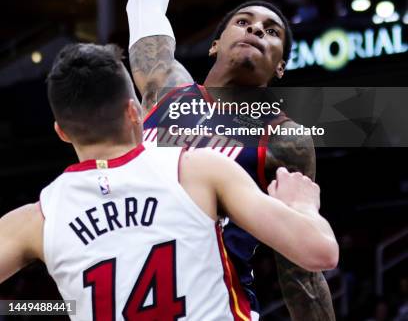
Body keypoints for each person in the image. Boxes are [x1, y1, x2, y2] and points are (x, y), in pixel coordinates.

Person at [0, 43, 338, 320]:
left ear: (60, 132)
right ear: (135, 111)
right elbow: (320, 252)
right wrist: (303, 206)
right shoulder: (198, 170)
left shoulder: (37, 220)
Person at [127, 0, 336, 319]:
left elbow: (300, 272)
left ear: (281, 66)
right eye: (243, 22)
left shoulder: (285, 139)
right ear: (214, 45)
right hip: (131, 298)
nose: (256, 28)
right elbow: (143, 9)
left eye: (272, 31)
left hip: (221, 308)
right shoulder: (167, 86)